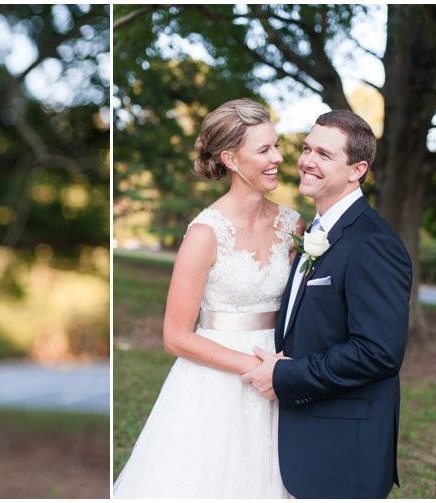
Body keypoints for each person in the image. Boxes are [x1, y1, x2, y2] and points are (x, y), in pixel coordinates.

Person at [113, 98, 297, 498]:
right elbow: (176, 337)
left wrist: (284, 372)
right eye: (264, 149)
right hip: (217, 380)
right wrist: (259, 368)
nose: (279, 158)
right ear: (231, 158)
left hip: (280, 368)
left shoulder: (293, 225)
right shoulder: (204, 234)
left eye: (277, 145)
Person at [242, 110, 411, 498]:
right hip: (305, 437)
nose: (307, 161)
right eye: (306, 148)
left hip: (342, 450)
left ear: (357, 169)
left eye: (324, 154)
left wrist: (285, 376)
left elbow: (377, 353)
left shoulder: (373, 243)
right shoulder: (313, 231)